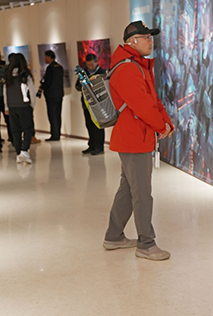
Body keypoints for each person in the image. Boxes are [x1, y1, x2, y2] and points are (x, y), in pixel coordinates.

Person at [103, 20, 174, 261]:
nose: (150, 41)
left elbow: (153, 100)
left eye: (150, 37)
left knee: (128, 189)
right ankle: (146, 243)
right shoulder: (128, 69)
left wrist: (166, 123)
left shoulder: (138, 66)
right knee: (142, 193)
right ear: (132, 41)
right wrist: (160, 125)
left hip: (136, 138)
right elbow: (142, 106)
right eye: (146, 37)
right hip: (134, 139)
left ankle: (113, 236)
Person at [4, 53, 36, 164]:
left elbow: (5, 92)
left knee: (15, 130)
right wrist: (32, 104)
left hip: (12, 106)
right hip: (24, 106)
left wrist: (6, 106)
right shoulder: (25, 75)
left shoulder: (8, 75)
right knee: (28, 129)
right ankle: (24, 151)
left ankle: (18, 153)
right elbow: (31, 91)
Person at [74, 53, 106, 155]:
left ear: (96, 62)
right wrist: (83, 85)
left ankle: (99, 147)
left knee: (98, 126)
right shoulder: (83, 73)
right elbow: (77, 86)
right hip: (86, 104)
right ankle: (91, 145)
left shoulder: (102, 72)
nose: (90, 67)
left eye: (92, 65)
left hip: (98, 104)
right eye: (88, 65)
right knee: (89, 125)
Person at [39, 49, 64, 141]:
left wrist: (42, 86)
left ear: (49, 57)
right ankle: (57, 133)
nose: (44, 59)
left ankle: (54, 134)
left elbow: (48, 82)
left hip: (51, 95)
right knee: (58, 115)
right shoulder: (60, 67)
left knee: (52, 115)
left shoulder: (50, 68)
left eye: (45, 57)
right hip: (59, 94)